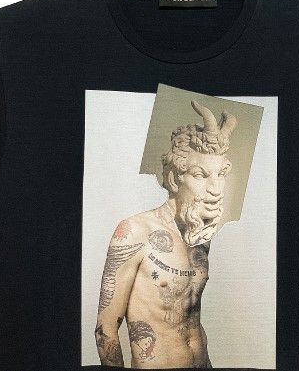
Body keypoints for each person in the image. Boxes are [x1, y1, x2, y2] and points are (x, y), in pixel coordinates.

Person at [94, 100, 237, 368]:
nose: (216, 189)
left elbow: (190, 318)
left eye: (220, 174)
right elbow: (106, 328)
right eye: (201, 175)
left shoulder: (199, 237)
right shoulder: (134, 231)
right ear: (173, 179)